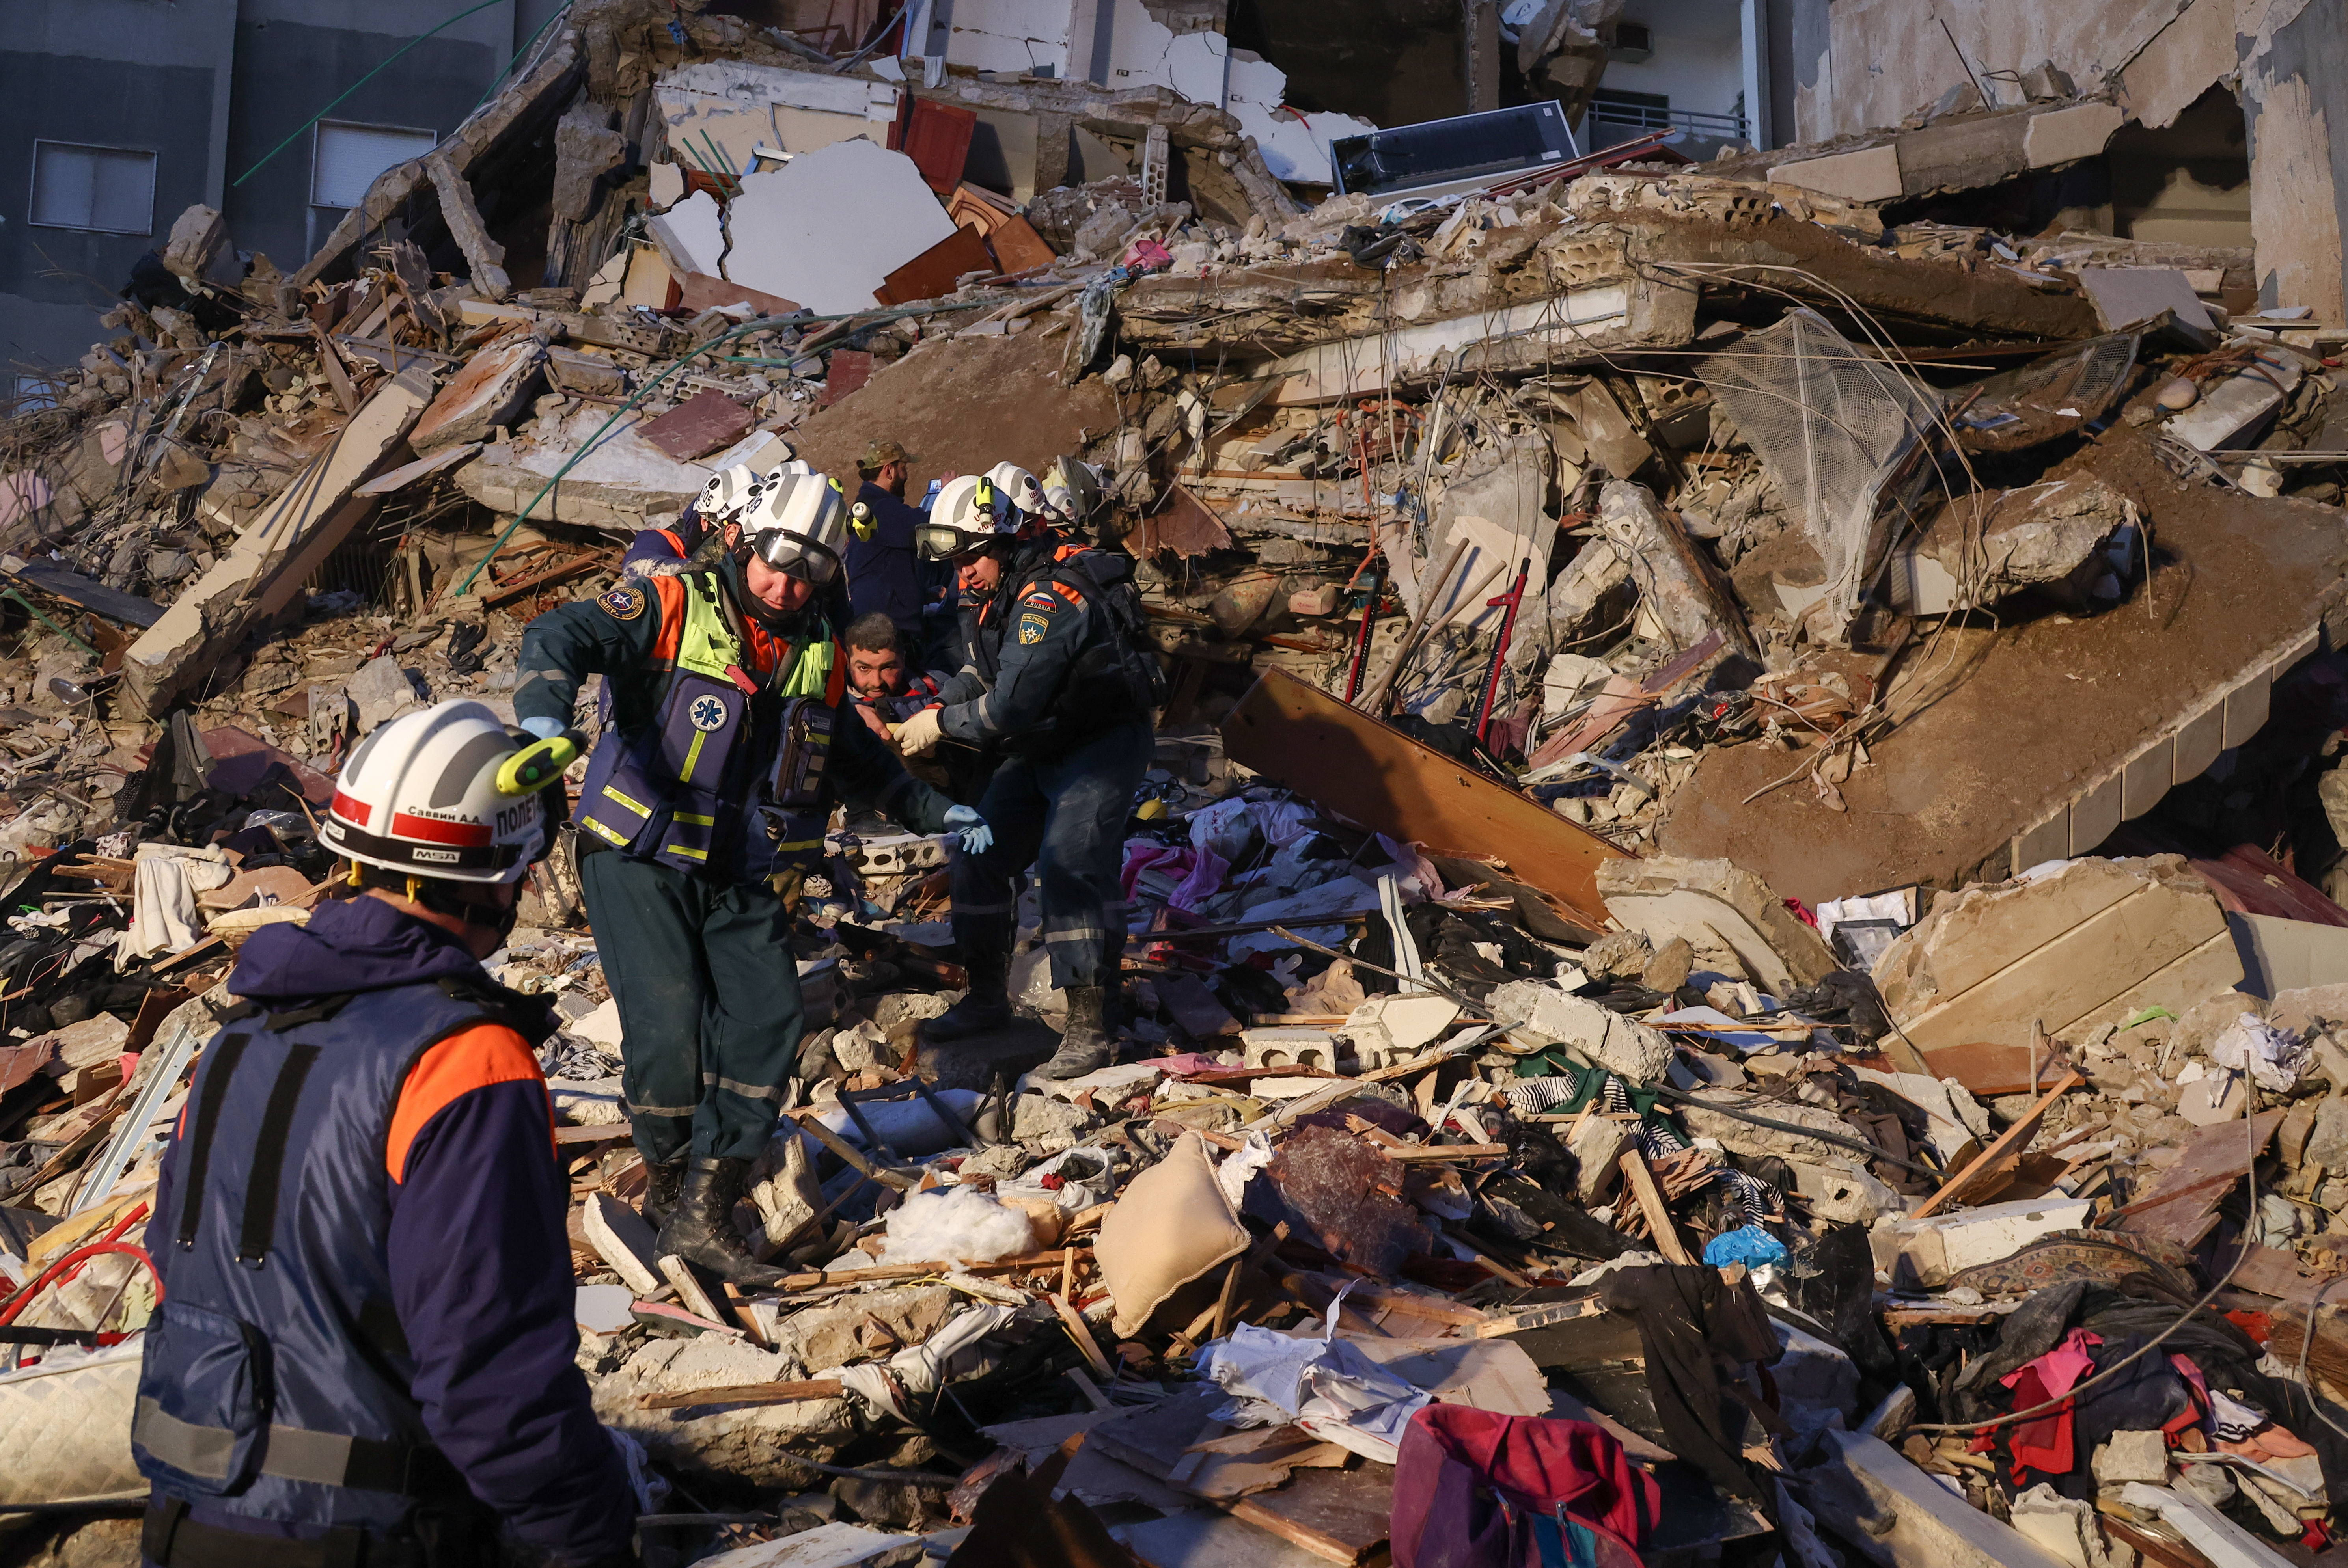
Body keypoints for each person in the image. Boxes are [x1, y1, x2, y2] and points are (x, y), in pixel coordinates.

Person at [134, 701, 637, 1568]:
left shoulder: (240, 1039)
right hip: (368, 1535)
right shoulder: (466, 1059)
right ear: (501, 871)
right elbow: (491, 1373)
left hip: (185, 1526)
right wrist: (588, 1539)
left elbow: (181, 1271)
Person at [515, 469, 987, 1284]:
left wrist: (936, 812)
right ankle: (668, 1185)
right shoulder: (670, 606)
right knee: (668, 1031)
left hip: (740, 873)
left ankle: (705, 1208)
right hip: (639, 857)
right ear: (741, 540)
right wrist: (545, 714)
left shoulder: (819, 652)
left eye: (809, 570)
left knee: (768, 1022)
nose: (785, 582)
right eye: (775, 559)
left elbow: (858, 760)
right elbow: (559, 636)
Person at [895, 473, 1164, 1079]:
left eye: (971, 558)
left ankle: (1091, 1026)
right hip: (1042, 742)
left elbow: (1008, 705)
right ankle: (988, 997)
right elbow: (981, 671)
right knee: (978, 849)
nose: (962, 574)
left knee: (1070, 859)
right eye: (956, 562)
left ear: (1006, 541)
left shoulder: (1050, 600)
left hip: (1099, 741)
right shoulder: (991, 592)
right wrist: (930, 707)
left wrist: (943, 725)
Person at [844, 439, 929, 653]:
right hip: (892, 636)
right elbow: (930, 528)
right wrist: (948, 495)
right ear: (889, 470)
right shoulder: (882, 509)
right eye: (903, 468)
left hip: (878, 628)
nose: (906, 475)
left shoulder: (865, 507)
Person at [842, 611, 943, 743]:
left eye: (888, 668)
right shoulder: (831, 704)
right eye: (864, 668)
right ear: (847, 662)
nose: (877, 682)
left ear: (903, 660)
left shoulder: (939, 694)